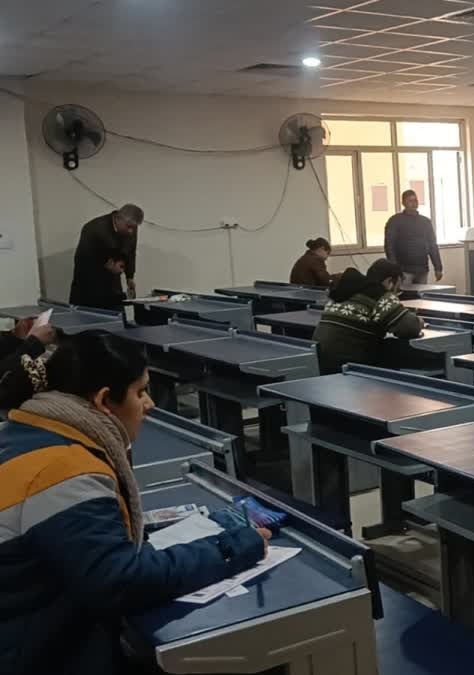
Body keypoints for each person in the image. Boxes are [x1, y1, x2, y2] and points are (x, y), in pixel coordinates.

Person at [0, 331, 270, 675]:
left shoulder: (23, 433)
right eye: (140, 392)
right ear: (104, 400)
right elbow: (120, 581)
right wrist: (233, 548)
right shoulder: (63, 469)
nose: (150, 404)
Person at [312, 259, 423, 375]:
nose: (396, 294)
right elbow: (409, 327)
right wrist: (418, 321)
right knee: (397, 354)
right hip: (349, 365)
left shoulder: (346, 290)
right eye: (397, 288)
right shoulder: (379, 294)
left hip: (320, 362)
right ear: (389, 281)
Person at [70, 203, 142, 310]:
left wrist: (130, 276)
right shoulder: (93, 229)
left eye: (134, 227)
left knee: (117, 318)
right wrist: (109, 266)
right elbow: (83, 259)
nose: (131, 231)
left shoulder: (131, 229)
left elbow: (131, 252)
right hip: (88, 288)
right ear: (119, 219)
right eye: (129, 226)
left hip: (112, 287)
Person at [384, 190, 444, 285]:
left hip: (422, 269)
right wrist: (394, 269)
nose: (413, 203)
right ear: (403, 203)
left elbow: (432, 245)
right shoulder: (395, 221)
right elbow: (389, 246)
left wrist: (438, 268)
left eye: (415, 200)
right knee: (405, 294)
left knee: (421, 294)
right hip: (403, 270)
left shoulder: (425, 222)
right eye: (410, 201)